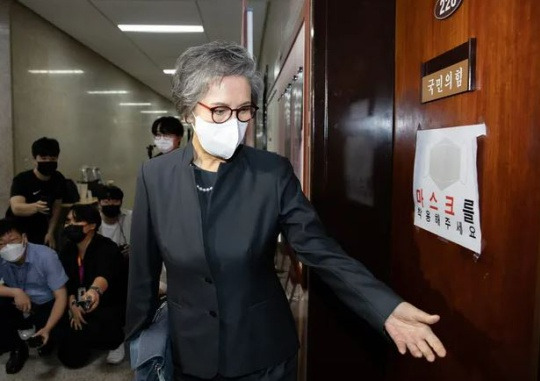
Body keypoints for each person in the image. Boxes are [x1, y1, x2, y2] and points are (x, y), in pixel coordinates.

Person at [126, 41, 446, 381]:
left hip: (262, 351)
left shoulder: (270, 172)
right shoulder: (155, 176)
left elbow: (319, 250)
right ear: (189, 112)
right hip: (187, 351)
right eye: (219, 110)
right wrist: (137, 337)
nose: (233, 122)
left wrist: (385, 307)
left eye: (243, 110)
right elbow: (143, 271)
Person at [58, 205, 126, 367]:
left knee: (105, 325)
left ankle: (117, 341)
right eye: (68, 221)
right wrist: (73, 305)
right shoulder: (67, 250)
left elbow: (104, 276)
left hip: (107, 303)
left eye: (77, 221)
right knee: (70, 359)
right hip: (78, 303)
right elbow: (68, 283)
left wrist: (94, 293)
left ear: (92, 225)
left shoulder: (107, 247)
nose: (70, 225)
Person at [0, 218, 68, 374]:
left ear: (24, 238)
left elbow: (61, 295)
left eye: (12, 240)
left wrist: (48, 328)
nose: (7, 247)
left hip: (45, 303)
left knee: (68, 351)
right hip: (17, 300)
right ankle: (17, 348)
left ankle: (44, 332)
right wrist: (15, 292)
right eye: (1, 243)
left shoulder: (46, 256)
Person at [6, 137, 65, 248]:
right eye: (43, 158)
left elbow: (57, 207)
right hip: (17, 230)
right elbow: (16, 208)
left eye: (52, 158)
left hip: (41, 229)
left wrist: (50, 232)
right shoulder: (22, 179)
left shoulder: (58, 179)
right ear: (34, 159)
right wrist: (36, 207)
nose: (48, 162)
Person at [97, 184, 132, 257]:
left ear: (121, 202)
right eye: (106, 201)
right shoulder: (93, 220)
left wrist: (133, 249)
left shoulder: (131, 217)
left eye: (115, 201)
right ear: (99, 203)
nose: (111, 204)